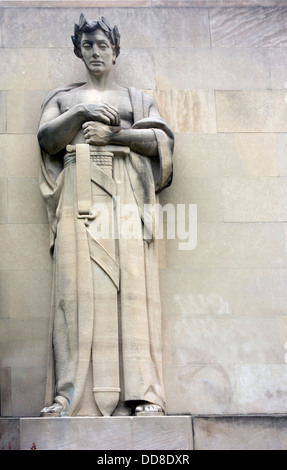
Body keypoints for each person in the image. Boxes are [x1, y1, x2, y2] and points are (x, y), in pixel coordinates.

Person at [38, 14, 174, 417]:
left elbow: (162, 141)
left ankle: (144, 394)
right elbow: (47, 139)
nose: (95, 52)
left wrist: (117, 136)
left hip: (127, 198)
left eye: (102, 45)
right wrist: (82, 116)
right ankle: (68, 395)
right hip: (78, 199)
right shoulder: (64, 99)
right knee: (73, 292)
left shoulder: (135, 99)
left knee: (135, 292)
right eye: (88, 45)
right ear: (79, 51)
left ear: (115, 52)